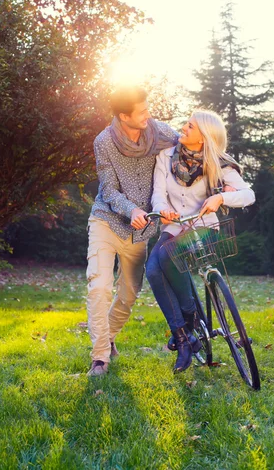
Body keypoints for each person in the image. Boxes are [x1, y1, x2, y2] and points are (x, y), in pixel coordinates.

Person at [145, 109, 255, 373]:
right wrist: (163, 211)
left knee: (166, 256)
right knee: (152, 269)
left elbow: (248, 194)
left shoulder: (217, 163)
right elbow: (158, 195)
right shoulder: (165, 157)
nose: (183, 128)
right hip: (174, 226)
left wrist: (221, 198)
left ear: (204, 138)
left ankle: (188, 318)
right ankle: (184, 337)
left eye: (190, 127)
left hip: (204, 229)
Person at [86, 86, 178, 376]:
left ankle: (108, 335)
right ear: (124, 116)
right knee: (99, 286)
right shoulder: (104, 142)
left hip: (140, 233)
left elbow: (192, 144)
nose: (147, 115)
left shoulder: (159, 132)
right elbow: (109, 189)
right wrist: (132, 210)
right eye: (141, 111)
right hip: (107, 222)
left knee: (128, 294)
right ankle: (100, 357)